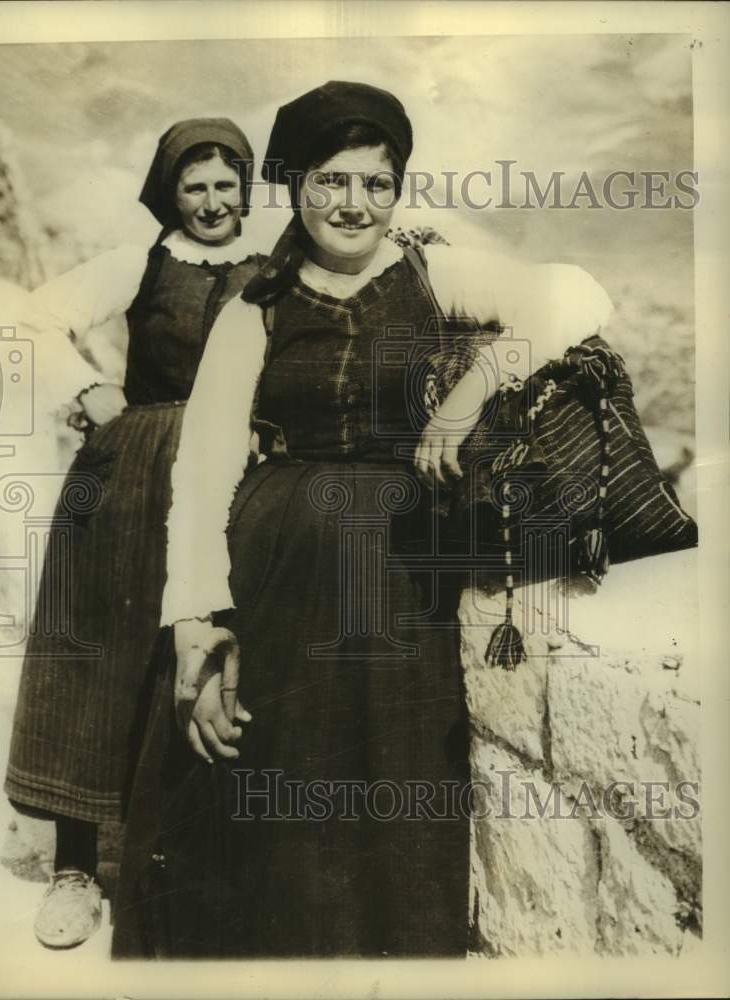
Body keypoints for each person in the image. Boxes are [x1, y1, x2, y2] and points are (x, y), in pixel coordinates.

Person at [111, 82, 614, 958]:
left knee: (397, 787)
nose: (354, 204)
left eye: (377, 184)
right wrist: (197, 618)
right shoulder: (256, 306)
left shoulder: (430, 270)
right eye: (332, 181)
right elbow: (204, 466)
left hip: (399, 578)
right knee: (262, 790)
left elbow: (576, 296)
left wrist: (468, 395)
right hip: (277, 570)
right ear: (296, 184)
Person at [4, 117, 265, 949]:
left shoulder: (272, 272)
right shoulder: (141, 262)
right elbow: (31, 317)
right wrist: (88, 392)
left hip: (229, 480)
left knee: (200, 653)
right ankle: (76, 868)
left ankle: (171, 857)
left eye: (227, 184)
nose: (213, 202)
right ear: (169, 192)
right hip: (127, 477)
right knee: (99, 656)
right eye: (195, 186)